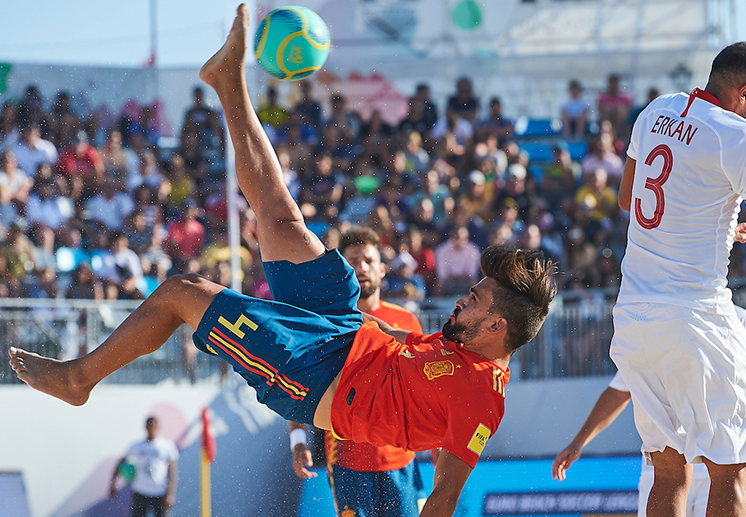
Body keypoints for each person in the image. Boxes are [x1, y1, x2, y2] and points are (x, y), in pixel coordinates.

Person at [8, 7, 558, 517]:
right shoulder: (452, 341)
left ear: (496, 326)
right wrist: (374, 325)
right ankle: (229, 81)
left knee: (181, 292)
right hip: (345, 328)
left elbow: (444, 495)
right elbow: (402, 353)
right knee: (279, 215)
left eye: (476, 300)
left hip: (318, 378)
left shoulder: (484, 401)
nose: (464, 298)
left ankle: (79, 378)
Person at [613, 42, 746, 517]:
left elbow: (627, 200)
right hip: (696, 319)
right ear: (745, 91)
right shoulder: (740, 136)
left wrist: (714, 224)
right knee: (729, 472)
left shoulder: (656, 110)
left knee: (669, 472)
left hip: (634, 317)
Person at [553, 306, 746, 516]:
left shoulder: (740, 321)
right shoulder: (657, 320)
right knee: (671, 480)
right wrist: (578, 442)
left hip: (714, 469)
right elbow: (619, 391)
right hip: (665, 468)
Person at [290, 226, 427, 517]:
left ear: (382, 268)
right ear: (343, 271)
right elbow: (301, 383)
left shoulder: (407, 322)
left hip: (401, 457)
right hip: (347, 460)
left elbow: (423, 390)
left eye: (367, 260)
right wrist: (298, 440)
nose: (361, 268)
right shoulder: (327, 324)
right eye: (352, 261)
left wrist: (439, 441)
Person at [109, 416, 179, 517]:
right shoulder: (137, 445)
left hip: (159, 492)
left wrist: (170, 494)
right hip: (140, 491)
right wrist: (112, 484)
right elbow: (120, 463)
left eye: (154, 427)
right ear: (145, 428)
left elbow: (172, 471)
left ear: (158, 428)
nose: (151, 429)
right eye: (149, 426)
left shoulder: (167, 446)